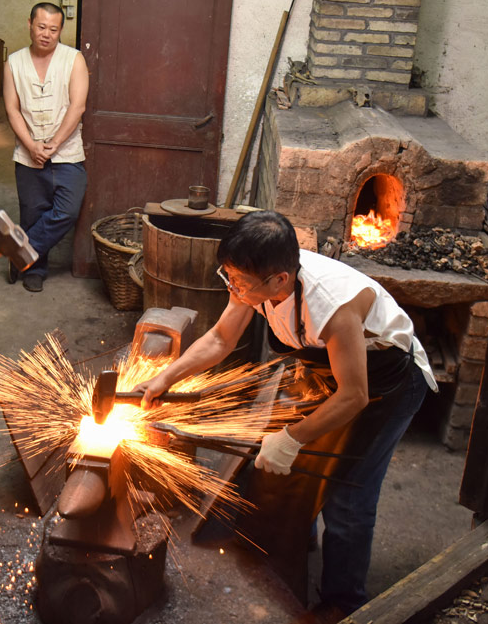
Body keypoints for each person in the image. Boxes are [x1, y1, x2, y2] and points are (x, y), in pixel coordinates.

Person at [133, 210, 436, 620]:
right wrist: (164, 378)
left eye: (239, 282)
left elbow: (354, 395)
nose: (233, 288)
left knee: (348, 494)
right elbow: (221, 338)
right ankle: (298, 538)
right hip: (326, 373)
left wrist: (293, 438)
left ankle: (344, 602)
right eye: (228, 276)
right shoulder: (253, 280)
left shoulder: (330, 305)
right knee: (292, 466)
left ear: (279, 279)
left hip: (385, 384)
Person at [1, 2, 89, 292]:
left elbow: (78, 107)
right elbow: (12, 110)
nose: (46, 34)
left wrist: (53, 144)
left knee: (67, 211)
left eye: (53, 29)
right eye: (41, 27)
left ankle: (19, 254)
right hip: (28, 154)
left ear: (60, 30)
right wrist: (31, 146)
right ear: (30, 24)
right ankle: (34, 270)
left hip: (67, 152)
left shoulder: (74, 59)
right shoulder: (13, 63)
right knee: (32, 213)